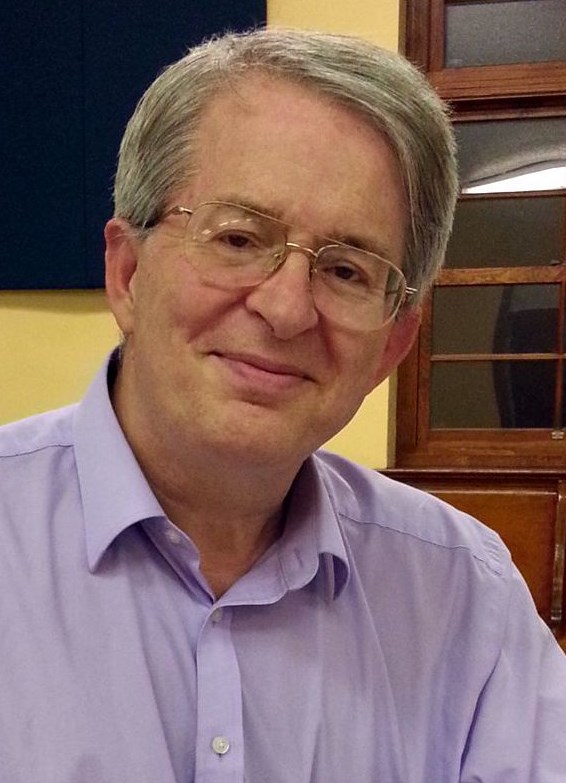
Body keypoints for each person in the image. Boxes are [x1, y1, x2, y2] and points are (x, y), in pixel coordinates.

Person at [1, 27, 565, 783]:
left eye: (346, 269)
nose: (287, 308)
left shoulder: (465, 597)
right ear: (128, 272)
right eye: (238, 238)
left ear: (392, 346)